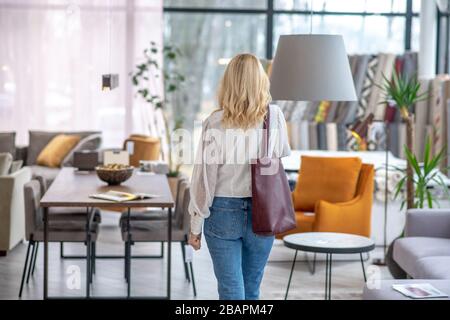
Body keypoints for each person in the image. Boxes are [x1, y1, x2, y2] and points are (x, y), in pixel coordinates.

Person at [188, 53, 291, 300]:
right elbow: (280, 154)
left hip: (222, 212)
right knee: (252, 287)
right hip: (264, 211)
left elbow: (205, 178)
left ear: (229, 82)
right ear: (261, 81)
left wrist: (195, 225)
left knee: (231, 289)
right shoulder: (274, 116)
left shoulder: (215, 122)